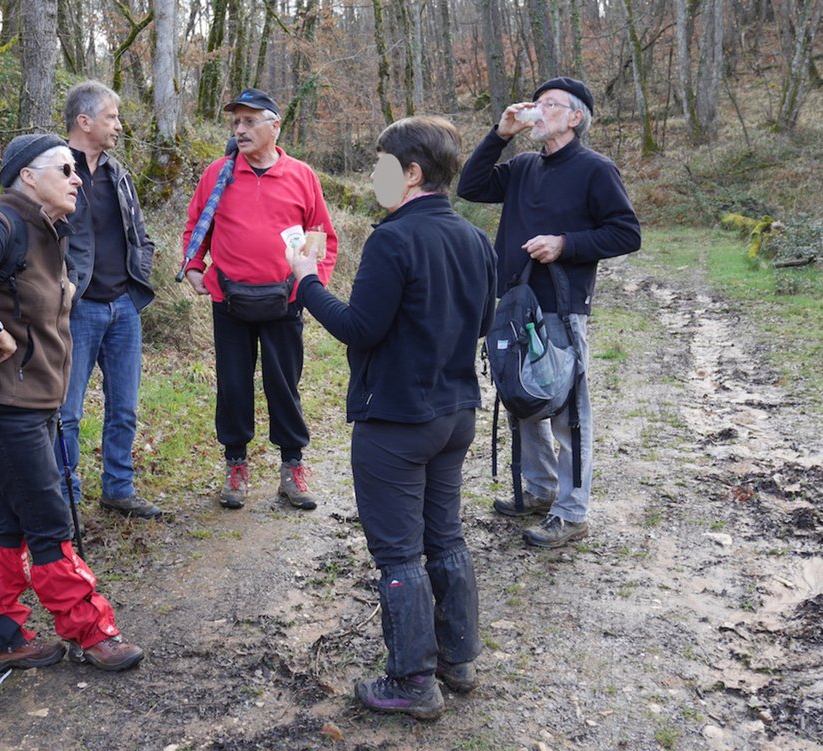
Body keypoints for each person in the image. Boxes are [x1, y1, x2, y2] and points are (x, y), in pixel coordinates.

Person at [287, 116, 496, 720]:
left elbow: (360, 328)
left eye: (379, 166)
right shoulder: (475, 239)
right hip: (454, 414)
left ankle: (412, 681)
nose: (372, 176)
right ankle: (458, 658)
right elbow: (483, 321)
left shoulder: (393, 239)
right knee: (445, 536)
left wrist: (304, 280)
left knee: (400, 553)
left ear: (411, 173)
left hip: (398, 422)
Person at [0, 133, 144, 674]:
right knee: (50, 521)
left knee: (11, 521)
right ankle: (92, 631)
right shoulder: (2, 222)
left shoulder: (47, 232)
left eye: (77, 170)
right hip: (3, 403)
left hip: (30, 402)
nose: (77, 179)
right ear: (28, 177)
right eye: (65, 169)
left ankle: (0, 637)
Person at [457, 76, 642, 548]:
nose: (539, 110)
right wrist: (500, 134)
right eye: (536, 103)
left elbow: (627, 233)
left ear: (576, 117)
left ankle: (572, 512)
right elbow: (470, 186)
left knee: (567, 411)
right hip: (515, 304)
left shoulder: (596, 169)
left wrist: (565, 244)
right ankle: (540, 490)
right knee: (522, 398)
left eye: (551, 104)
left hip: (562, 305)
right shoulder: (523, 166)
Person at [181, 88, 338, 511]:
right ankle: (236, 465)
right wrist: (193, 265)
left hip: (284, 300)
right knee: (233, 386)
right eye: (236, 122)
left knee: (283, 386)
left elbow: (319, 235)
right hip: (229, 299)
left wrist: (311, 285)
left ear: (275, 126)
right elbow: (197, 224)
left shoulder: (301, 175)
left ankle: (292, 467)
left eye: (250, 121)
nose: (240, 129)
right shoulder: (218, 174)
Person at [55, 80, 161, 520]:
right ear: (85, 121)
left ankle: (118, 489)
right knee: (67, 412)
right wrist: (62, 290)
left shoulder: (119, 173)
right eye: (112, 117)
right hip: (77, 311)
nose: (119, 125)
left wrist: (140, 275)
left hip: (123, 309)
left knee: (124, 409)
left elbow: (140, 235)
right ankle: (65, 496)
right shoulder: (55, 169)